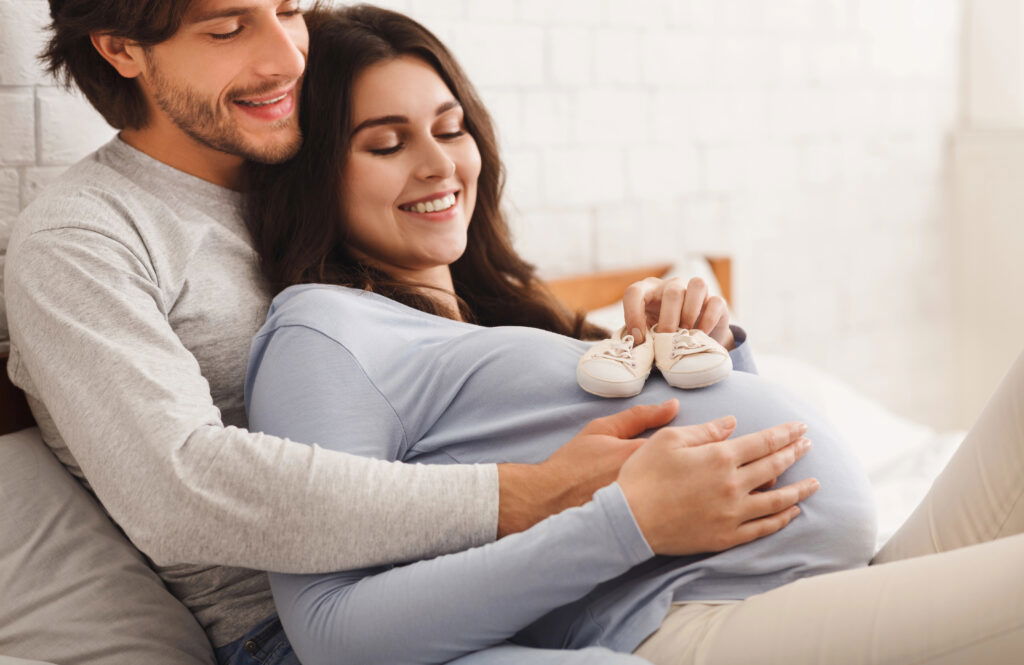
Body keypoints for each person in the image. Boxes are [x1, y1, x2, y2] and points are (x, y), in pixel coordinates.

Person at [2, 1, 816, 662]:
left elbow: (467, 365)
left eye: (288, 9)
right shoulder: (86, 240)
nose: (287, 54)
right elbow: (179, 490)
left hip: (527, 574)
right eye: (227, 27)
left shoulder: (322, 169)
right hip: (313, 628)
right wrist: (534, 493)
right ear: (120, 49)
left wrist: (670, 346)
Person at [243, 6, 1024, 664]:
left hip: (831, 575)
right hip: (688, 623)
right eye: (386, 143)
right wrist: (626, 525)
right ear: (314, 174)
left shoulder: (509, 316)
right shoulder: (322, 330)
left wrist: (718, 350)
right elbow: (332, 633)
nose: (437, 165)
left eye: (450, 130)